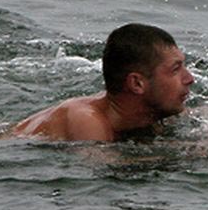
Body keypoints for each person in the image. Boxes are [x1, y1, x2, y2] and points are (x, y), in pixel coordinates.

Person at [10, 23, 195, 142]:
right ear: (137, 83)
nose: (190, 79)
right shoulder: (86, 119)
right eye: (175, 70)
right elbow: (102, 167)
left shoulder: (155, 112)